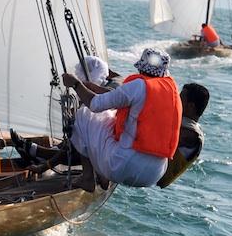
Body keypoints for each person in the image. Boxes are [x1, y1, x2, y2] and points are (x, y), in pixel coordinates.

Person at [62, 47, 181, 190]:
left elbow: (94, 104)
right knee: (112, 117)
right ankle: (101, 174)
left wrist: (76, 84)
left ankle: (88, 177)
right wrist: (96, 89)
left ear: (141, 68)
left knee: (84, 113)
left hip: (123, 166)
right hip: (155, 173)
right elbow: (127, 99)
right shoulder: (172, 92)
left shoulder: (138, 86)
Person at [157, 82, 209, 187]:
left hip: (155, 173)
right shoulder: (185, 124)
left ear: (190, 106)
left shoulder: (191, 134)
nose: (176, 101)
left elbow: (159, 136)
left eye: (180, 99)